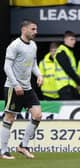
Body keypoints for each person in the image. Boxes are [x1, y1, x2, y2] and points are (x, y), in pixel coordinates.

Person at [0, 20, 43, 159]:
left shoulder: (33, 45)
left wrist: (39, 74)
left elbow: (33, 64)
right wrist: (16, 84)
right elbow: (6, 67)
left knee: (37, 115)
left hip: (27, 88)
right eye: (33, 29)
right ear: (24, 30)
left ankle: (23, 146)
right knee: (10, 117)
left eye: (36, 29)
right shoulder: (14, 45)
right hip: (13, 87)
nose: (36, 32)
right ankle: (3, 150)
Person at [54, 31, 80, 100]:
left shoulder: (68, 51)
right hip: (65, 86)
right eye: (71, 39)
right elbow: (68, 69)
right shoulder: (61, 51)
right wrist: (79, 81)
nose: (74, 42)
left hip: (69, 86)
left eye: (74, 40)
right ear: (65, 40)